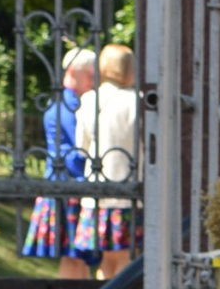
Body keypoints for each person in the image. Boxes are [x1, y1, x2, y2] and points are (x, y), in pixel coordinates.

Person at [21, 48, 96, 274]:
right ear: (72, 72)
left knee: (75, 257)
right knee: (74, 256)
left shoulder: (67, 104)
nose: (94, 82)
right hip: (69, 186)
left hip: (66, 185)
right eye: (90, 75)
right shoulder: (70, 107)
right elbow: (78, 150)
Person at [72, 44, 139, 275]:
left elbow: (81, 147)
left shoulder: (90, 100)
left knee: (105, 260)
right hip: (129, 190)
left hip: (97, 190)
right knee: (125, 257)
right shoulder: (136, 101)